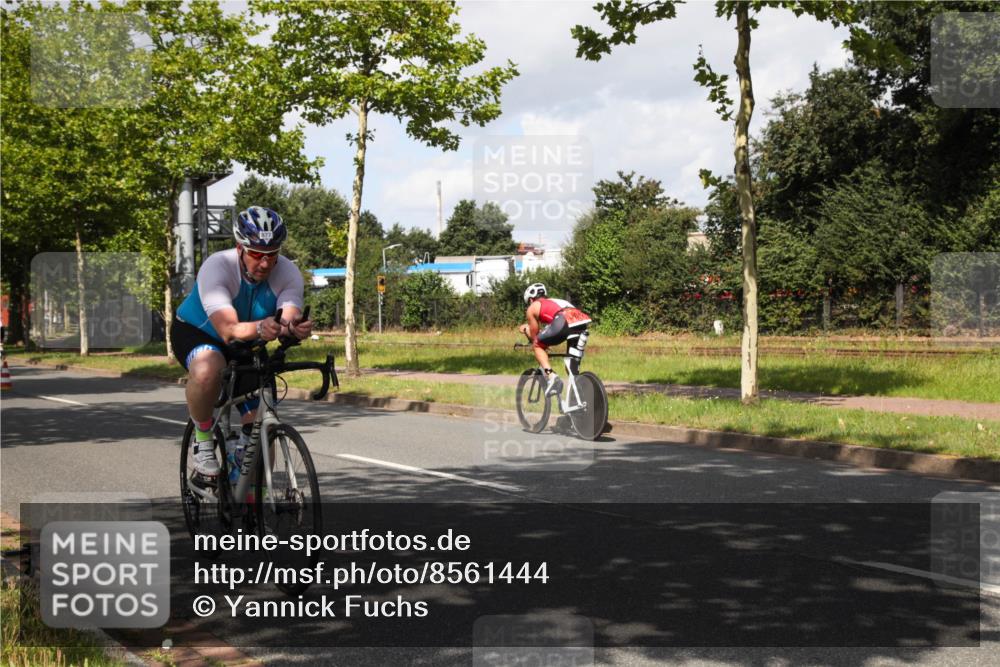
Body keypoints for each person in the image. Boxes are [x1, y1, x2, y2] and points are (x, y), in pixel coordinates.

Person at [172, 206, 313, 476]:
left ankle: (249, 500)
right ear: (240, 248)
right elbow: (228, 329)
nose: (265, 263)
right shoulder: (217, 266)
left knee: (261, 427)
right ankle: (203, 440)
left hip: (246, 342)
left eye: (272, 255)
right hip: (197, 333)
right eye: (257, 254)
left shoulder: (288, 272)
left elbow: (288, 316)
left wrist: (293, 328)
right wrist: (263, 326)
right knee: (207, 368)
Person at [519, 283, 591, 396]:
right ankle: (578, 398)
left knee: (537, 345)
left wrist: (525, 330)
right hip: (581, 321)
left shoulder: (532, 307)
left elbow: (535, 336)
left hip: (563, 319)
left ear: (531, 299)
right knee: (572, 368)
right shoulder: (556, 301)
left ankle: (551, 376)